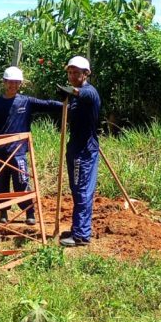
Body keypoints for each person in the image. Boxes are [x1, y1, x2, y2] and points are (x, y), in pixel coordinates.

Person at [0, 66, 64, 225]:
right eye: (10, 82)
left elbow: (47, 104)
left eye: (16, 83)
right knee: (0, 184)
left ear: (20, 84)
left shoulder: (26, 102)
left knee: (22, 182)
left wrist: (66, 104)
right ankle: (3, 212)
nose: (13, 85)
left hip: (18, 152)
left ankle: (29, 212)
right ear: (4, 82)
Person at [56, 56, 101, 247]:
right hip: (75, 146)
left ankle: (81, 235)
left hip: (84, 150)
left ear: (86, 74)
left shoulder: (89, 92)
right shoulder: (76, 96)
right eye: (70, 72)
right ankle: (79, 228)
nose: (72, 76)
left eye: (76, 72)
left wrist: (71, 91)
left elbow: (85, 95)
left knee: (82, 190)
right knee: (78, 189)